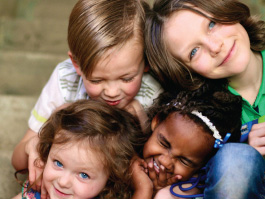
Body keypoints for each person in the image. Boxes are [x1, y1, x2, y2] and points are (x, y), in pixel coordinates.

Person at [12, 0, 162, 193]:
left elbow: (157, 173)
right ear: (77, 65)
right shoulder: (65, 81)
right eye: (97, 80)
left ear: (146, 61)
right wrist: (33, 146)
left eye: (127, 78)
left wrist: (142, 123)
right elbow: (18, 163)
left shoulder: (153, 93)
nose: (112, 92)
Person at [145, 0, 265, 156]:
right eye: (194, 52)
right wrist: (246, 154)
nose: (215, 47)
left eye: (211, 24)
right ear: (185, 72)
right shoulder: (204, 123)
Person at [131, 82, 265, 199]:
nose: (165, 162)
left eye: (184, 161)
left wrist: (149, 191)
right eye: (164, 143)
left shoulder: (190, 189)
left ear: (203, 166)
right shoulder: (123, 152)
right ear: (157, 121)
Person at [13, 99, 145, 199]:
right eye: (58, 163)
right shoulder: (38, 189)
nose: (63, 182)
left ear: (111, 178)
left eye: (84, 175)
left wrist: (143, 190)